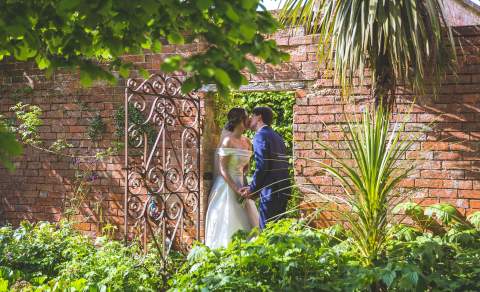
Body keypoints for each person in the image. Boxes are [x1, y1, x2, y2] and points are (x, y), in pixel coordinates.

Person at [204, 108, 259, 248]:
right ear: (241, 120)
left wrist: (244, 180)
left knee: (249, 219)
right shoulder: (227, 141)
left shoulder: (247, 141)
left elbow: (246, 166)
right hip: (227, 185)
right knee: (228, 217)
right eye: (247, 117)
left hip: (242, 184)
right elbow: (222, 169)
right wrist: (235, 188)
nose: (249, 120)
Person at [240, 106, 291, 229]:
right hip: (283, 189)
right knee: (279, 232)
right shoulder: (277, 137)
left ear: (259, 117)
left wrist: (252, 189)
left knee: (267, 232)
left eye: (252, 116)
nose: (250, 119)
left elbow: (263, 166)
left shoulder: (260, 136)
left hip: (271, 192)